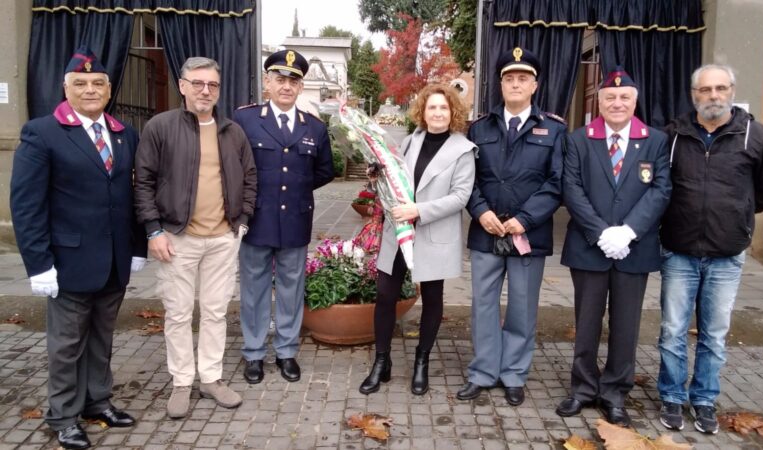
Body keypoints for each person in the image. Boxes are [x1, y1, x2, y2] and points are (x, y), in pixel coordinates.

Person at [10, 46, 146, 449]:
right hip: (67, 261)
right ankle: (63, 415)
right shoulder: (43, 133)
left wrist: (136, 246)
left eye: (98, 83)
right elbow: (27, 204)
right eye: (81, 83)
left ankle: (97, 402)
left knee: (102, 338)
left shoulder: (123, 134)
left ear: (108, 89)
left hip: (113, 261)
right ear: (66, 88)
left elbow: (132, 195)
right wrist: (38, 264)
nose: (90, 90)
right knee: (67, 345)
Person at [657, 64, 763, 434]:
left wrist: (739, 214)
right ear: (693, 94)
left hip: (727, 254)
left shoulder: (757, 136)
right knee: (672, 329)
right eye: (706, 89)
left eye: (721, 88)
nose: (714, 95)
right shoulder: (673, 136)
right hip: (679, 249)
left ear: (732, 90)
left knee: (713, 334)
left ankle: (704, 399)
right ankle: (672, 396)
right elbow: (661, 187)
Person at [134, 57, 257, 419]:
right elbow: (143, 183)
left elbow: (250, 179)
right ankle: (182, 382)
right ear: (182, 85)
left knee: (216, 312)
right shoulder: (161, 127)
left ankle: (211, 378)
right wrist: (153, 230)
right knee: (178, 313)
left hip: (222, 238)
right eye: (198, 83)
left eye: (213, 85)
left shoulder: (232, 131)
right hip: (176, 238)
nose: (206, 91)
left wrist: (243, 221)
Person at [556, 68, 671, 426]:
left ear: (634, 101)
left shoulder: (655, 140)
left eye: (624, 98)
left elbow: (661, 189)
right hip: (590, 247)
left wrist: (629, 232)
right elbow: (570, 187)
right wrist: (602, 232)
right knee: (586, 322)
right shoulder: (579, 140)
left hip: (634, 249)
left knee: (626, 325)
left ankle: (616, 392)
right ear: (599, 102)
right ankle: (583, 388)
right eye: (610, 97)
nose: (617, 103)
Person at [456, 47, 565, 407]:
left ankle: (514, 374)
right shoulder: (479, 127)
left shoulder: (553, 130)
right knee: (483, 306)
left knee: (522, 307)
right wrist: (479, 210)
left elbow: (556, 182)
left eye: (523, 78)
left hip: (527, 235)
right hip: (486, 232)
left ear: (535, 85)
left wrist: (524, 219)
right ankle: (484, 372)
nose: (515, 84)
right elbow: (466, 178)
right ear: (500, 84)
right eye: (509, 78)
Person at [359, 84, 476, 396]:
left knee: (433, 299)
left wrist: (419, 210)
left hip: (432, 231)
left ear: (453, 113)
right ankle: (381, 362)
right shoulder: (410, 141)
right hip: (398, 232)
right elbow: (395, 178)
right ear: (422, 112)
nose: (437, 113)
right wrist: (377, 175)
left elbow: (461, 197)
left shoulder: (463, 150)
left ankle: (422, 362)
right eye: (431, 107)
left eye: (443, 108)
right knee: (385, 294)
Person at [233, 49, 335, 385]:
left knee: (292, 289)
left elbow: (323, 171)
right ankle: (253, 353)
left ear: (301, 86)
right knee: (254, 289)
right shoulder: (245, 120)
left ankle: (287, 352)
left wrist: (295, 189)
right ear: (267, 81)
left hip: (295, 219)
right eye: (279, 79)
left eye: (293, 80)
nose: (286, 86)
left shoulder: (315, 128)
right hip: (256, 220)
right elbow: (234, 166)